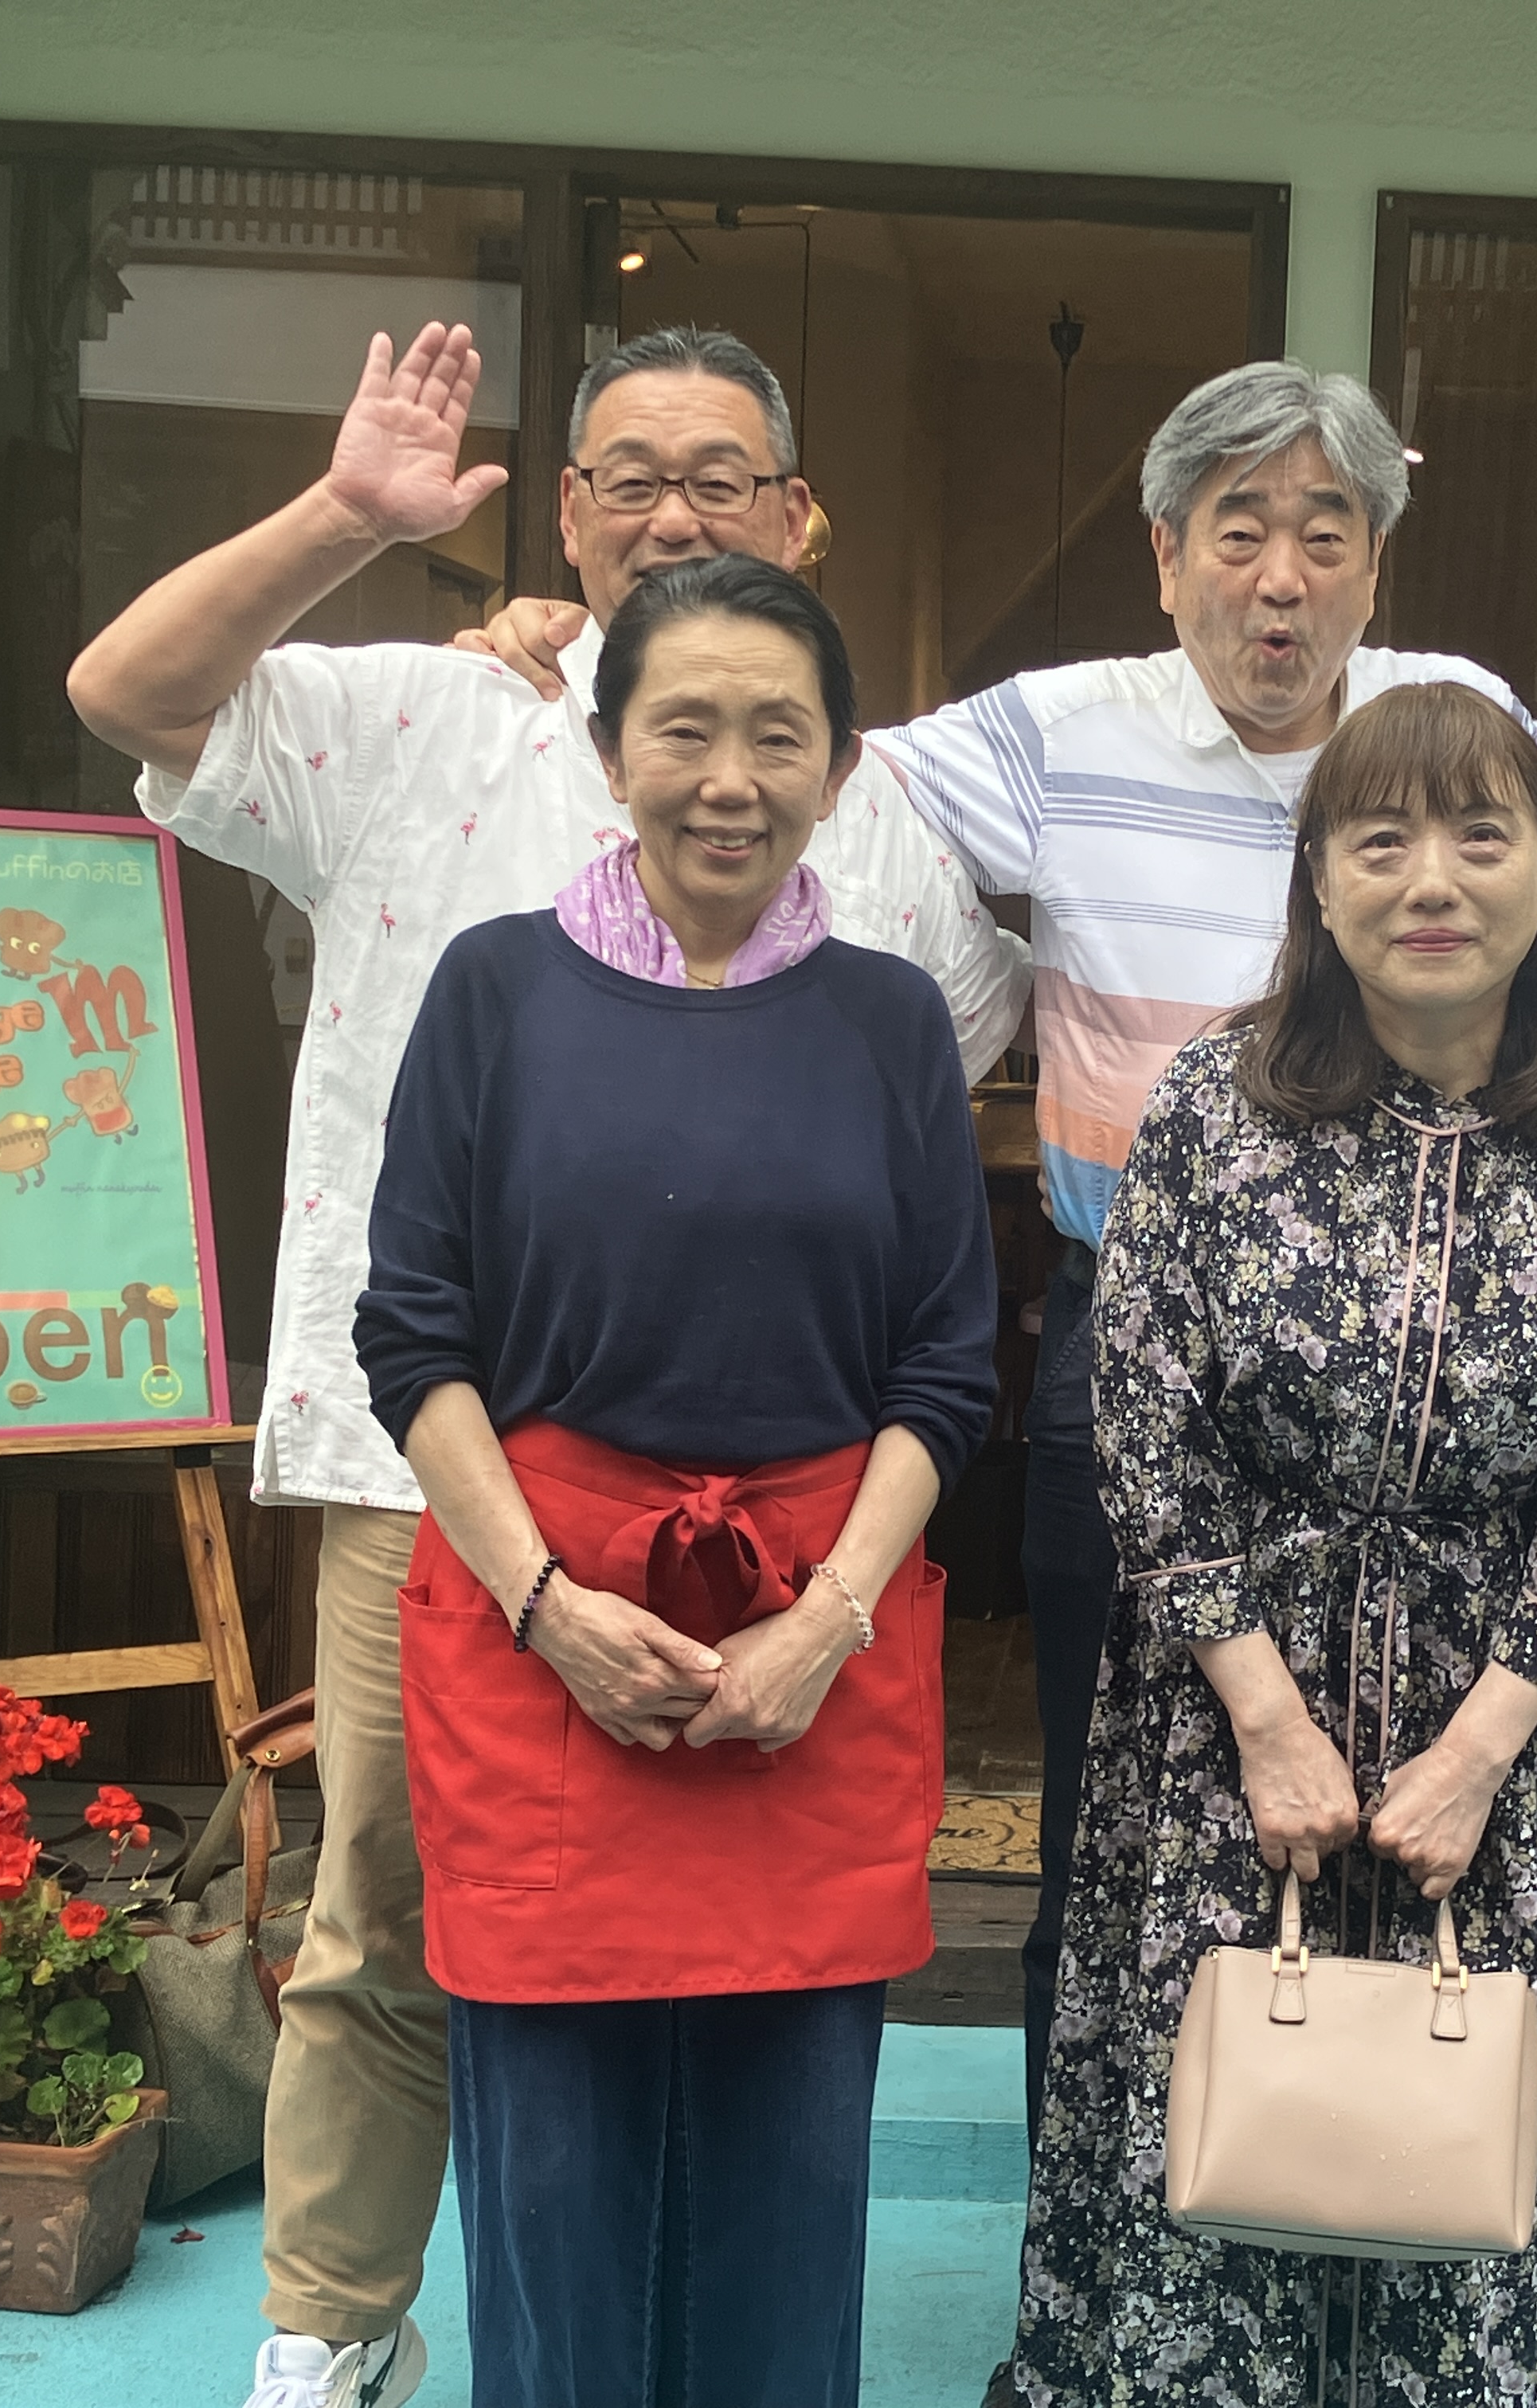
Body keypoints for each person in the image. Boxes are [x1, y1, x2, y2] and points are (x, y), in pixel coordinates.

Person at [475, 365, 1537, 2247]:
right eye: (1239, 534)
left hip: (1478, 1415)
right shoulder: (1053, 729)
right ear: (1167, 553)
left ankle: (1416, 2242)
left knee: (1469, 1870)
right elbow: (784, 742)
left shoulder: (1464, 725)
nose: (1281, 579)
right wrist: (564, 634)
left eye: (1325, 536)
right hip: (1158, 1359)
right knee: (1128, 1849)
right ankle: (1107, 2256)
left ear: (1376, 566)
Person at [67, 321, 1027, 2408]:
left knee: (755, 1993)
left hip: (786, 1516)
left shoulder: (876, 817)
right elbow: (128, 694)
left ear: (802, 517)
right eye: (627, 476)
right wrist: (350, 515)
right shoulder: (424, 714)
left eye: (721, 475)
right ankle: (336, 2326)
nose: (674, 510)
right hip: (438, 1470)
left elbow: (918, 1193)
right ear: (566, 514)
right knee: (391, 1920)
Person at [1014, 678, 1537, 2403]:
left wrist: (1479, 1754)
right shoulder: (1211, 1109)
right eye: (1381, 840)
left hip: (1505, 1722)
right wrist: (1264, 1720)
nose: (1433, 881)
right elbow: (1146, 1417)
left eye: (1481, 836)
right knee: (1218, 2141)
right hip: (1224, 1709)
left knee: (1462, 2150)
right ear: (1318, 882)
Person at [355, 552, 997, 2406]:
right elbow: (414, 1337)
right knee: (552, 2182)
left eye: (778, 735)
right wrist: (546, 1608)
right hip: (543, 1629)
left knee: (788, 2174)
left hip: (816, 1640)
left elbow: (945, 1365)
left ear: (842, 765)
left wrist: (831, 1619)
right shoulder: (492, 992)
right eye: (686, 729)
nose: (731, 779)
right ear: (609, 748)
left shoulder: (890, 1021)